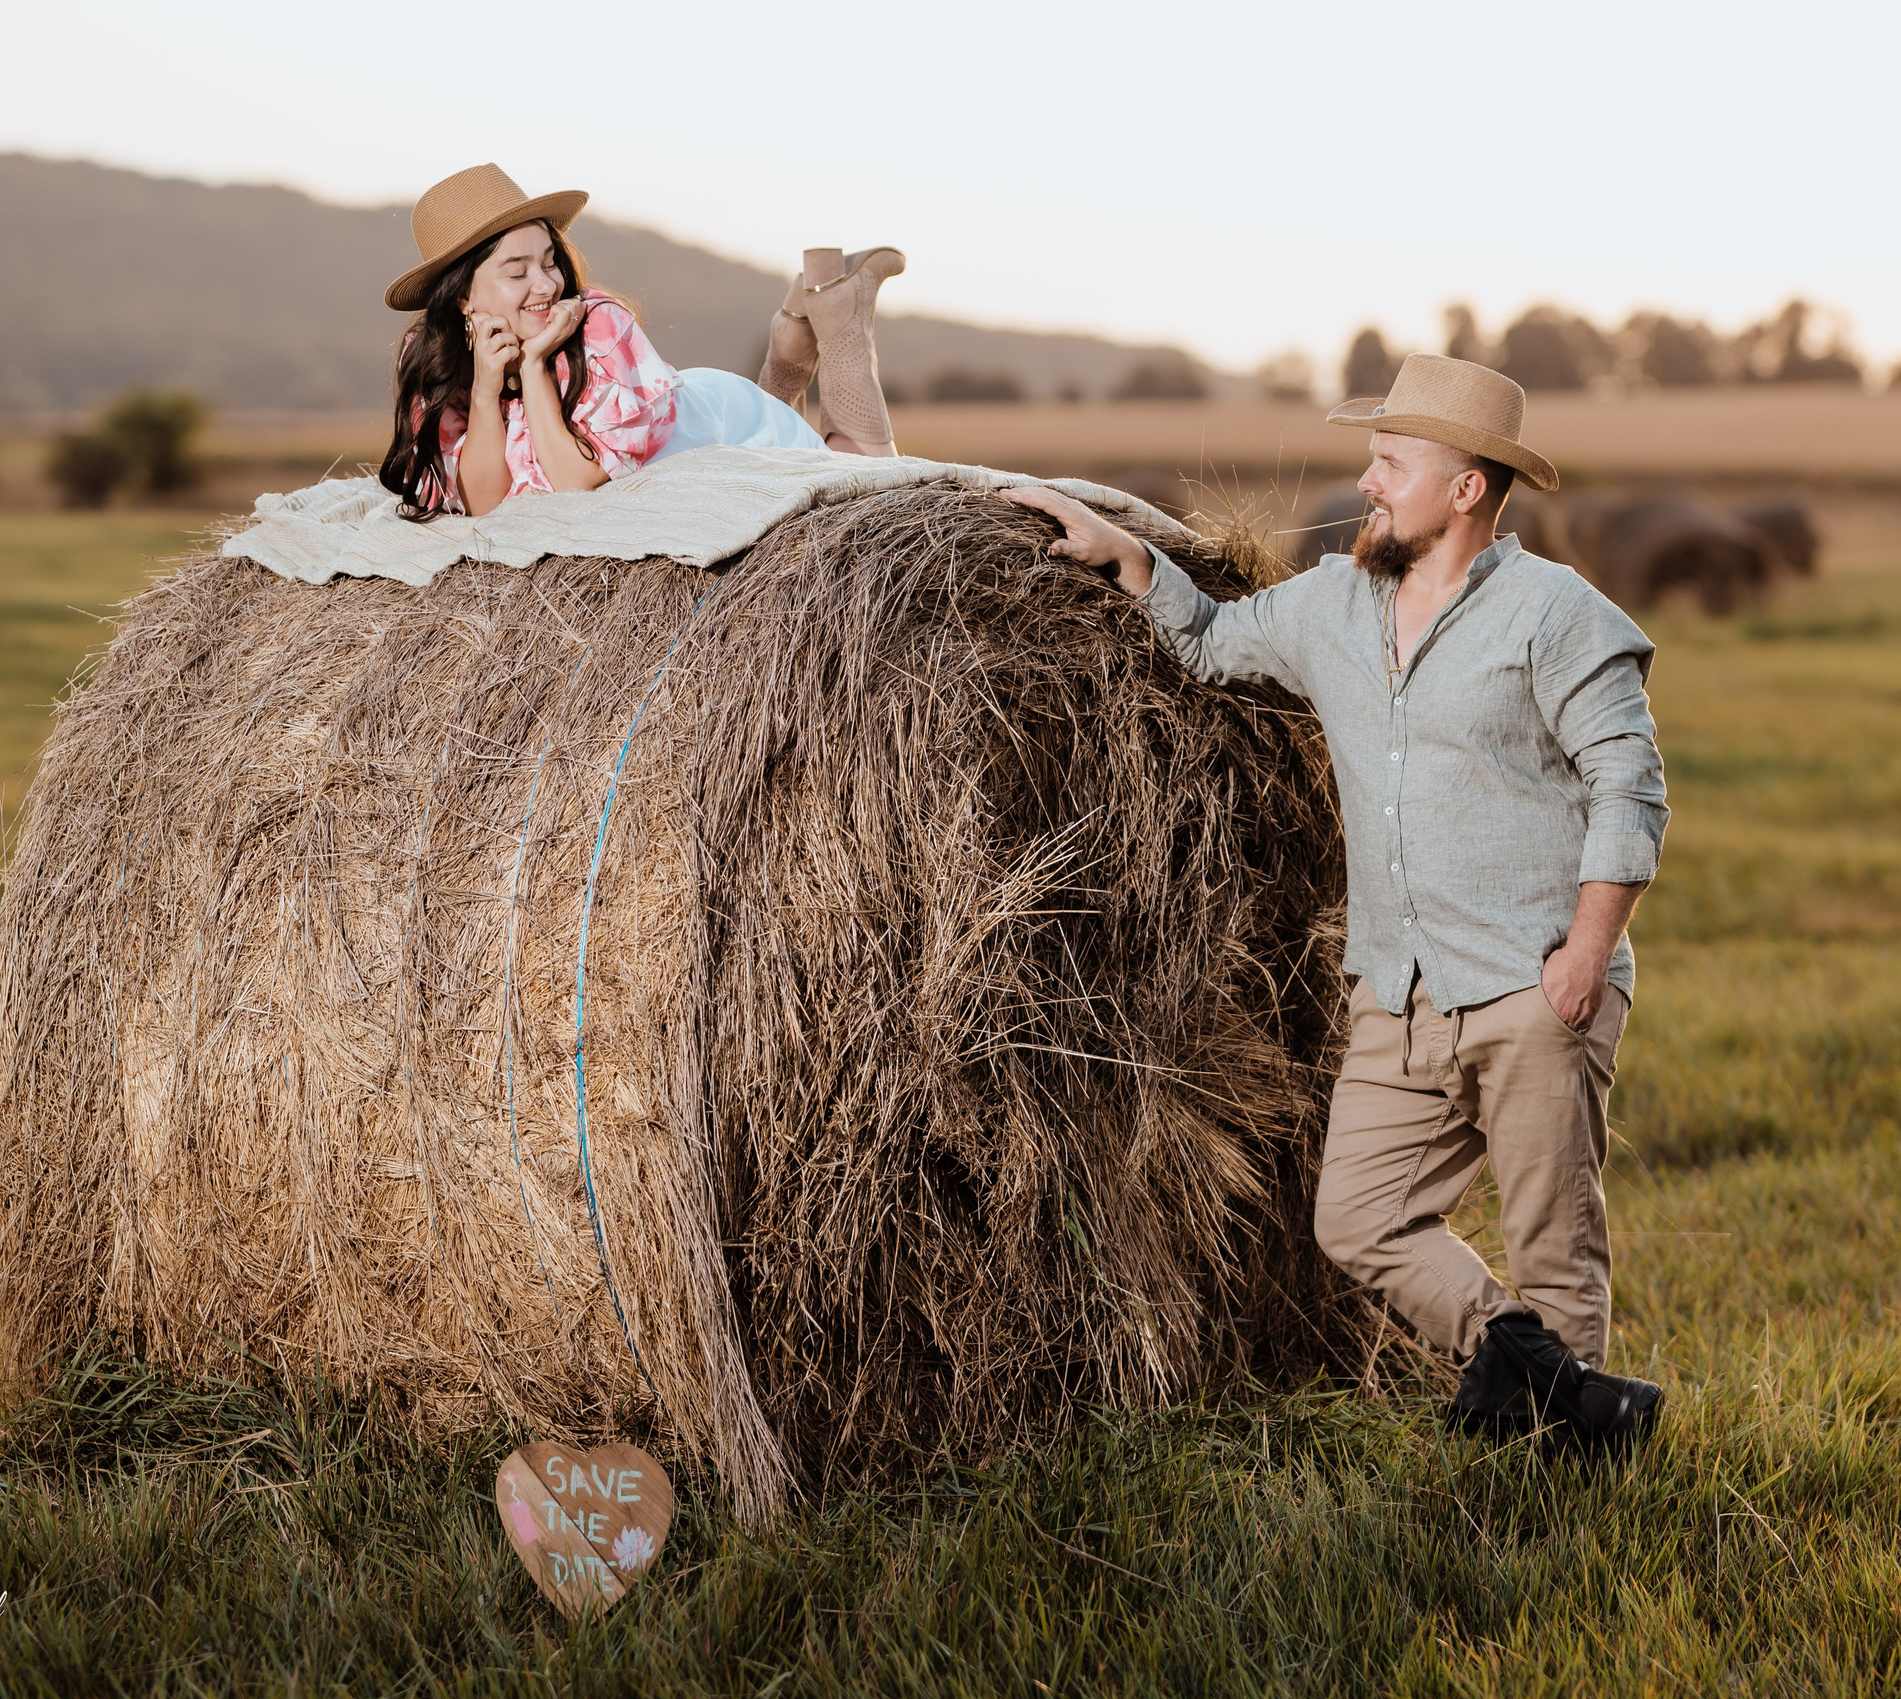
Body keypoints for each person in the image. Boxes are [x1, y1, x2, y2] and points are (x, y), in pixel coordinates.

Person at [1004, 355, 1672, 1449]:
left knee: (1551, 1238)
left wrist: (1585, 955)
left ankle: (1561, 1469)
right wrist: (1126, 555)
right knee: (1356, 1217)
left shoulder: (1559, 616)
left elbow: (1630, 787)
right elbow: (1213, 645)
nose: (1365, 481)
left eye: (1391, 462)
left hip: (1531, 982)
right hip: (1396, 991)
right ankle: (1572, 1397)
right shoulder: (1329, 607)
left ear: (1464, 489)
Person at [377, 164, 904, 519]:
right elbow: (484, 505)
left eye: (548, 261)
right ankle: (794, 333)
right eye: (518, 272)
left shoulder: (596, 321)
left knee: (878, 484)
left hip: (732, 428)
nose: (547, 285)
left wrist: (535, 365)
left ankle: (841, 316)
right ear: (463, 297)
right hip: (699, 427)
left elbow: (573, 485)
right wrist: (489, 388)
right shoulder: (434, 357)